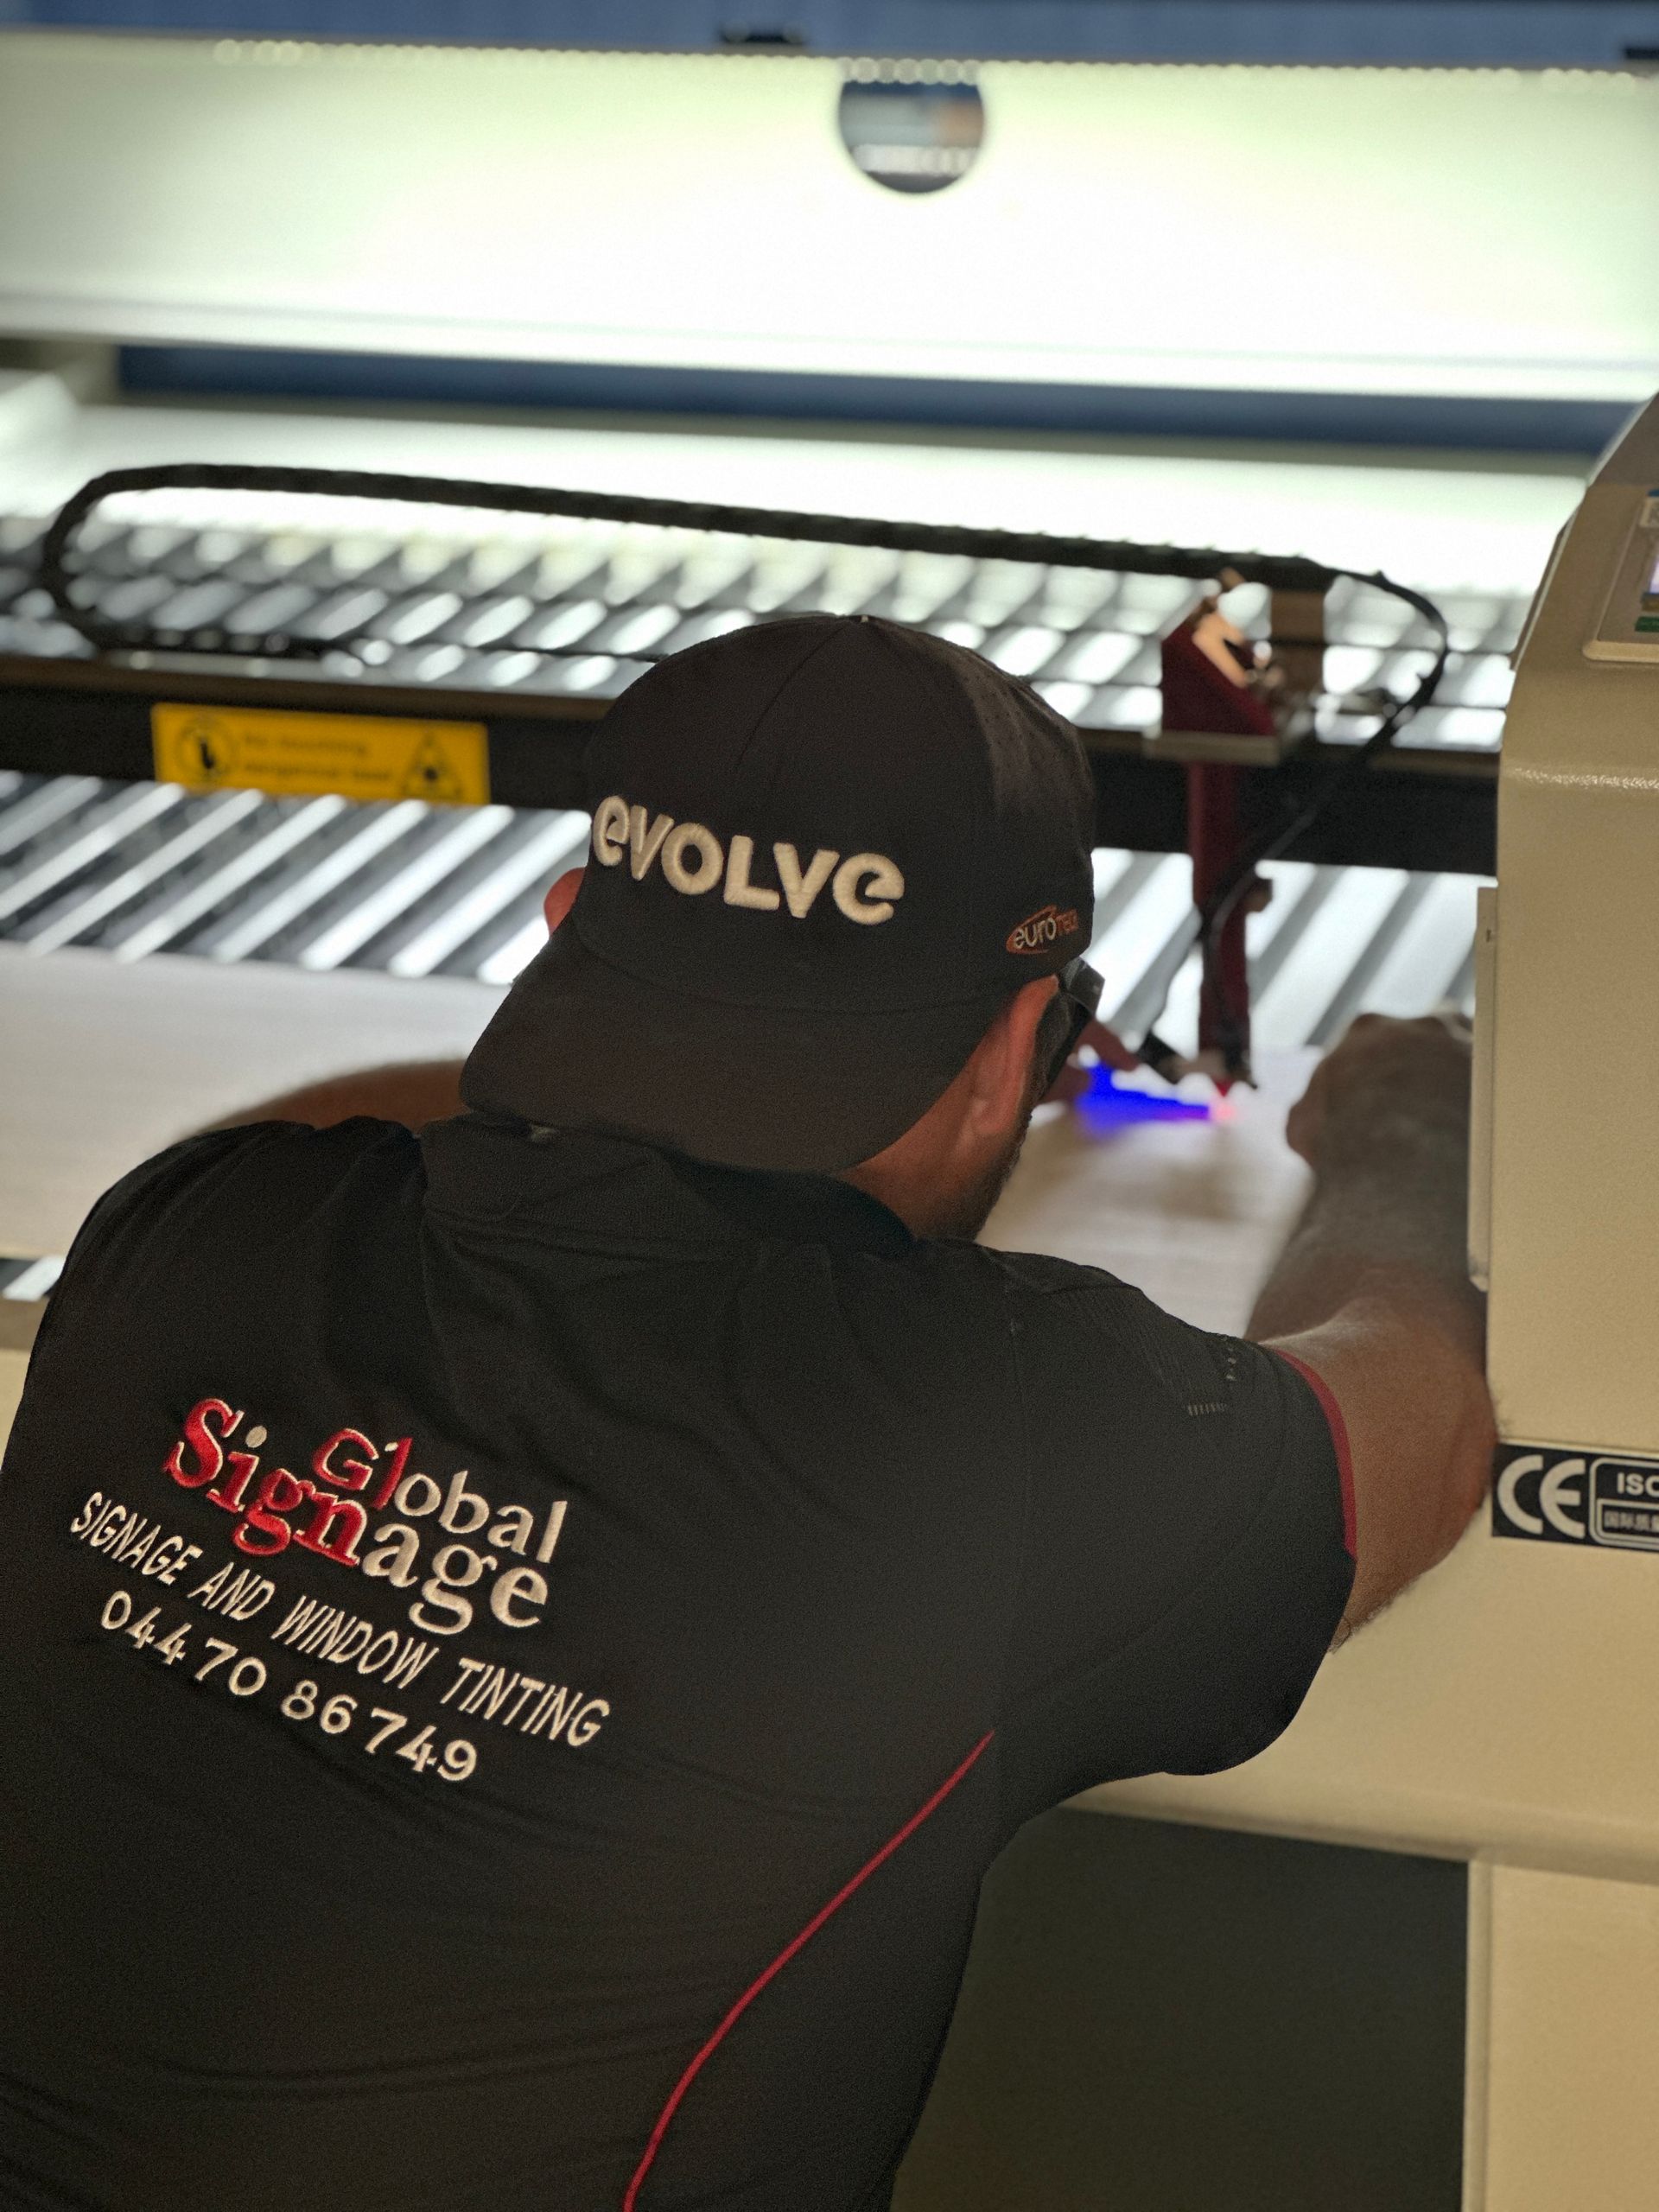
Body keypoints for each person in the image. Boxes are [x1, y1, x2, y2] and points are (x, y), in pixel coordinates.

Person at [0, 614, 1491, 2212]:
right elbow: (1416, 1408)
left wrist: (643, 1068)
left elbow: (357, 1134)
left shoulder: (197, 1234)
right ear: (1015, 1049)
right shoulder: (989, 1426)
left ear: (566, 920)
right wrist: (1402, 1131)